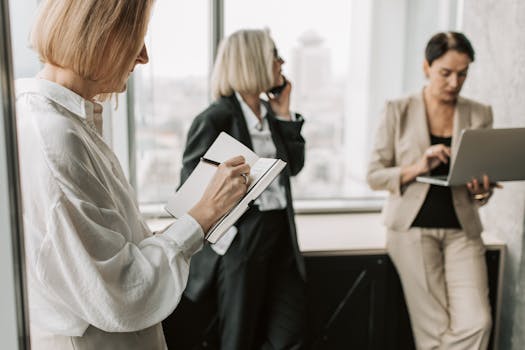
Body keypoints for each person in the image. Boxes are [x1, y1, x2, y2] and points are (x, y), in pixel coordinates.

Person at [16, 1, 250, 349]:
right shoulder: (55, 138)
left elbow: (108, 252)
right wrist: (203, 215)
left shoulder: (66, 125)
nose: (143, 57)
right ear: (101, 36)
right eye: (136, 40)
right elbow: (120, 291)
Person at [175, 29, 307, 349]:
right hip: (243, 240)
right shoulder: (215, 118)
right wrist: (231, 243)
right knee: (239, 338)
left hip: (281, 238)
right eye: (275, 55)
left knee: (291, 335)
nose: (282, 62)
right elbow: (189, 192)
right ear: (253, 61)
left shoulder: (272, 117)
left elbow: (295, 166)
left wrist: (285, 113)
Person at [367, 32, 498, 350]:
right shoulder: (397, 109)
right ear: (426, 67)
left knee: (478, 322)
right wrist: (417, 167)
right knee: (434, 331)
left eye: (463, 73)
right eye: (446, 73)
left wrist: (481, 190)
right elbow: (374, 175)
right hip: (411, 232)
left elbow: (481, 195)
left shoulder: (479, 113)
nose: (455, 82)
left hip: (463, 233)